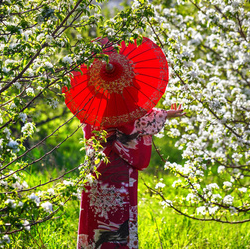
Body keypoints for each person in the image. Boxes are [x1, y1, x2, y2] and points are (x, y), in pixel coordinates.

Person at [77, 104, 185, 249]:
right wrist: (165, 114)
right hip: (120, 166)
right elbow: (139, 121)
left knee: (95, 216)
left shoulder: (90, 100)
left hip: (96, 164)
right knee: (120, 220)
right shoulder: (124, 100)